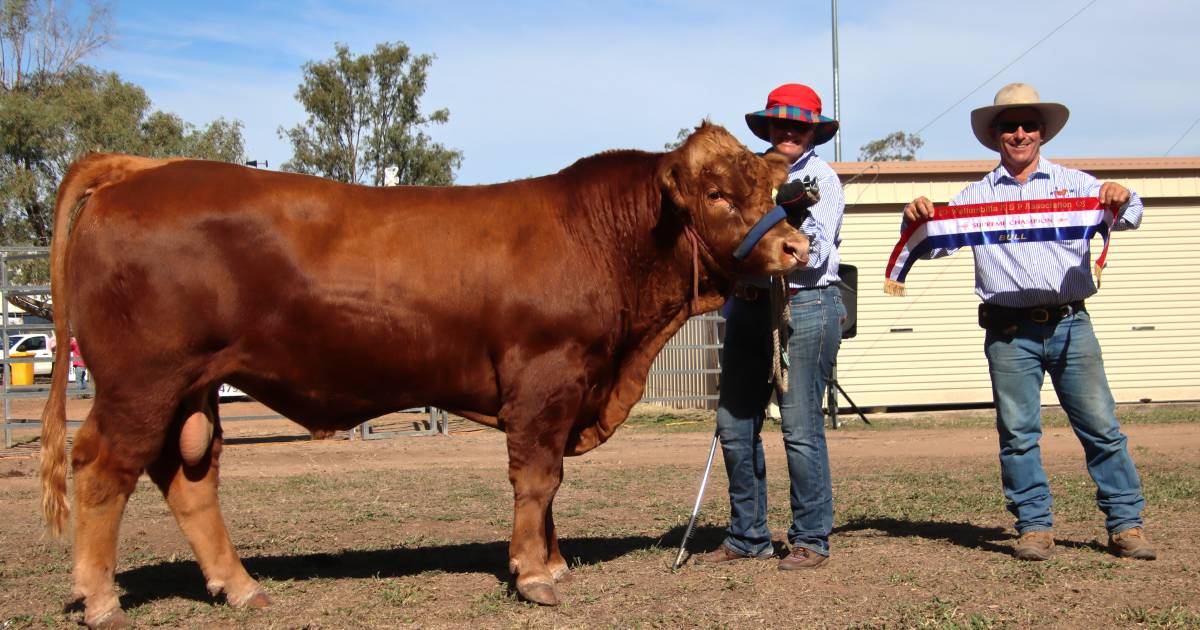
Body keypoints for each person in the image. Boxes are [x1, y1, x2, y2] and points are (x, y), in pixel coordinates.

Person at [901, 83, 1155, 561]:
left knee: (1101, 428)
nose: (1019, 134)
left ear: (1042, 133)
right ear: (996, 136)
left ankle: (1126, 524)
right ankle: (1034, 526)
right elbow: (931, 241)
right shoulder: (974, 196)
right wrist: (914, 217)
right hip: (1008, 332)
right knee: (1018, 435)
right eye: (1009, 127)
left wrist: (1122, 194)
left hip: (1070, 324)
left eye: (1028, 126)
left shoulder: (1079, 185)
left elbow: (1132, 213)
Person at [695, 83, 846, 570]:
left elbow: (813, 253)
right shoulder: (746, 178)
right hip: (746, 306)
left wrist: (766, 238)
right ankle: (747, 535)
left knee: (800, 428)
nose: (789, 132)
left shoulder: (822, 180)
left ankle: (810, 538)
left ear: (813, 133)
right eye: (780, 123)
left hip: (805, 304)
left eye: (799, 125)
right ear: (769, 127)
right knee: (734, 426)